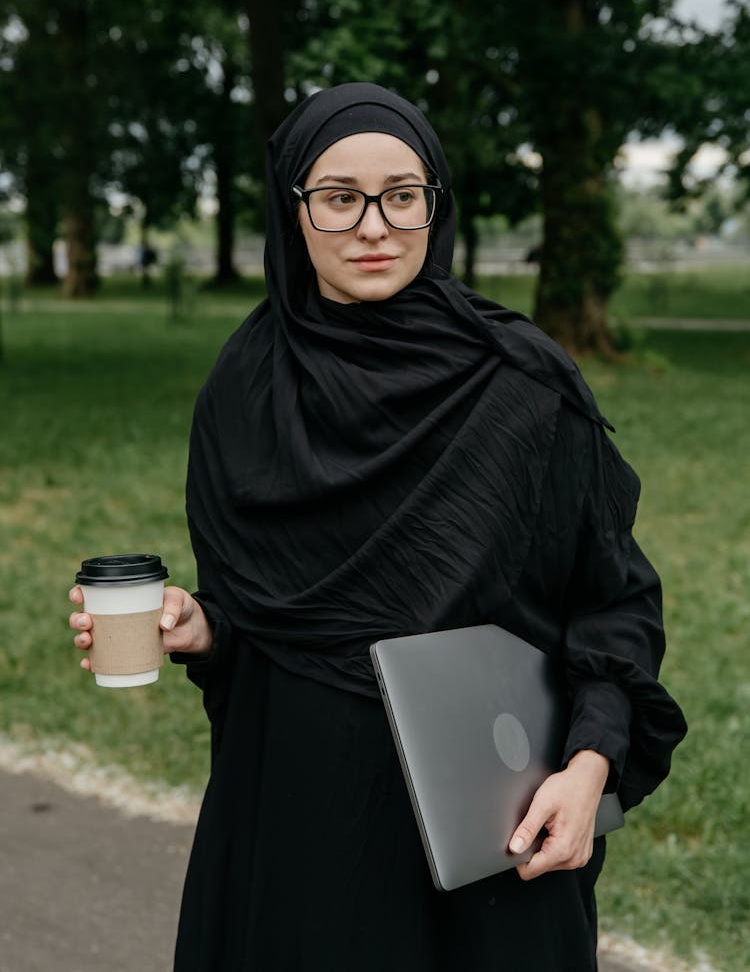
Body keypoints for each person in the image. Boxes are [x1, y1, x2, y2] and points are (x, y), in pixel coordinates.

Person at [69, 83, 687, 971]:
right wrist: (200, 627)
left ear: (435, 202)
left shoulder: (520, 383)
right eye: (338, 197)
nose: (374, 225)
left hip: (488, 827)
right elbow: (267, 621)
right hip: (298, 819)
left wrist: (590, 764)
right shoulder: (247, 388)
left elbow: (614, 601)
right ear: (295, 212)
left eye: (403, 194)